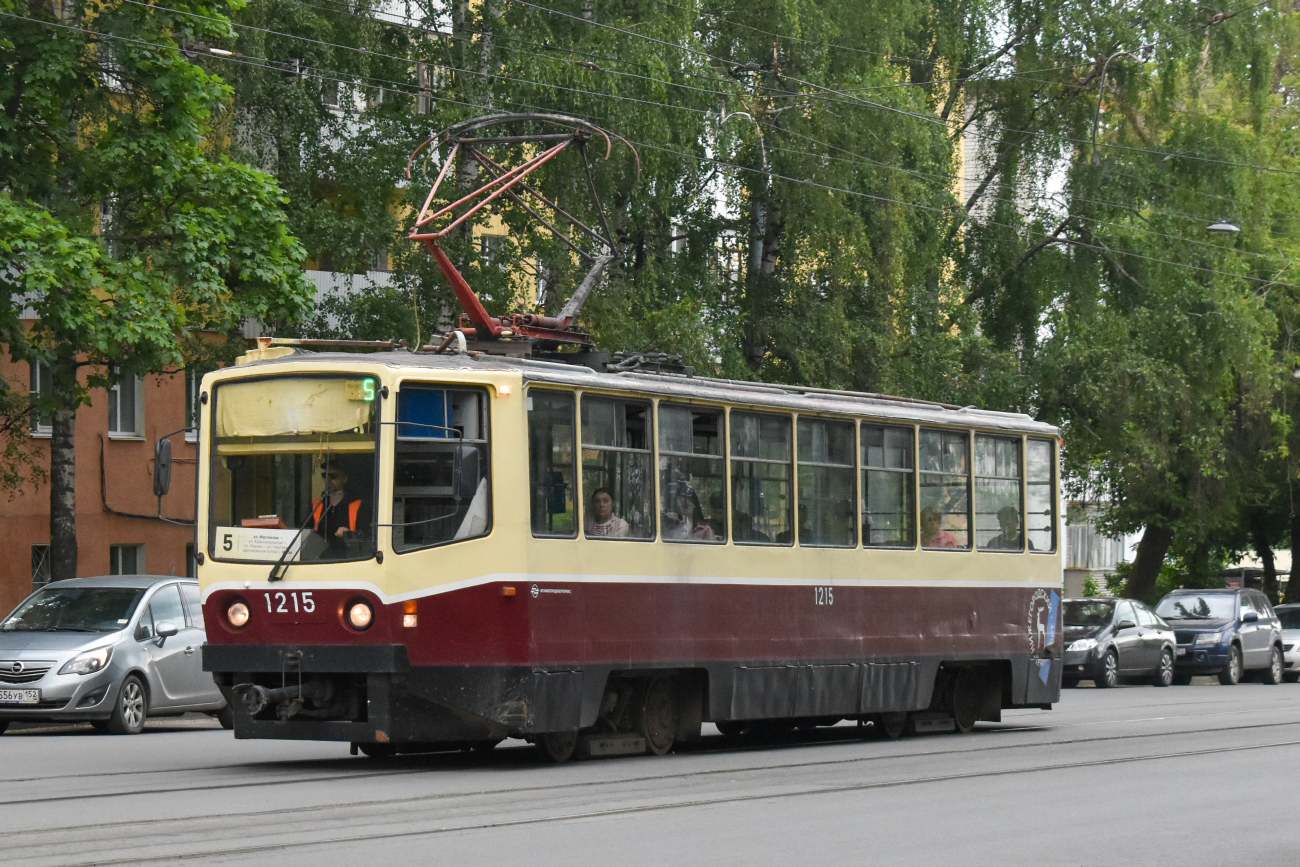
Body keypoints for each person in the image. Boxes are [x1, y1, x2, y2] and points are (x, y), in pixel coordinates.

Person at [313, 463, 371, 557]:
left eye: (333, 476)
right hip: (320, 561)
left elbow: (367, 537)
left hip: (348, 560)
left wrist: (349, 535)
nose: (328, 480)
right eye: (325, 476)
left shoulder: (358, 506)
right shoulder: (317, 505)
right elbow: (305, 534)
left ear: (344, 479)